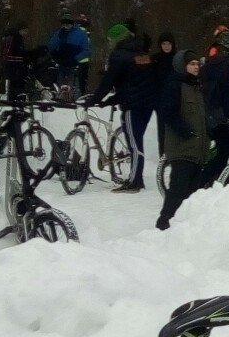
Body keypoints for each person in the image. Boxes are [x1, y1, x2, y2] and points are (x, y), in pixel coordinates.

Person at [89, 22, 157, 192]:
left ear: (116, 39)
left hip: (132, 106)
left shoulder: (119, 55)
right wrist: (111, 100)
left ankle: (135, 181)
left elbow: (109, 81)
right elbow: (134, 81)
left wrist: (95, 99)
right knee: (137, 141)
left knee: (134, 143)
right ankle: (137, 177)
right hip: (147, 104)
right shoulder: (142, 53)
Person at [154, 51, 214, 231]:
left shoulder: (197, 87)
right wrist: (184, 131)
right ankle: (163, 224)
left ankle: (182, 229)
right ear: (182, 66)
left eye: (197, 64)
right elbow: (167, 113)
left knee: (192, 195)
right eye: (191, 64)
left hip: (197, 150)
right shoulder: (175, 86)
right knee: (177, 191)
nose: (196, 67)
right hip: (182, 149)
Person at [45, 12, 93, 98]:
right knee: (60, 85)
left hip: (75, 65)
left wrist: (75, 59)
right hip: (61, 64)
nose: (65, 26)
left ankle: (74, 99)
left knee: (75, 87)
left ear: (72, 24)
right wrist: (59, 37)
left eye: (68, 24)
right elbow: (51, 47)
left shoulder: (81, 34)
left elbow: (87, 50)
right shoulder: (59, 33)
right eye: (64, 24)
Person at [0, 18, 36, 102]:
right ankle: (13, 101)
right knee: (14, 87)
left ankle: (18, 100)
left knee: (18, 87)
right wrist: (22, 59)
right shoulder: (12, 38)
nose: (26, 33)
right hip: (13, 68)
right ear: (20, 29)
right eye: (25, 30)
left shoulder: (19, 38)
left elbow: (19, 52)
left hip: (18, 68)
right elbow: (7, 55)